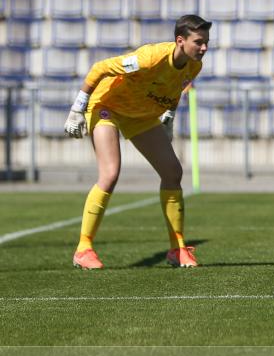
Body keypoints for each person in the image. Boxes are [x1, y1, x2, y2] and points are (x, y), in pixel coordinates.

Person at [65, 15, 211, 269]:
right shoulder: (150, 57)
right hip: (106, 105)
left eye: (206, 42)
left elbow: (175, 89)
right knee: (110, 173)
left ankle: (177, 248)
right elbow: (100, 68)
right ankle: (84, 248)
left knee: (172, 172)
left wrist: (169, 117)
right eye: (199, 42)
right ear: (180, 41)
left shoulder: (194, 66)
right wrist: (78, 107)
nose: (204, 48)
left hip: (141, 115)